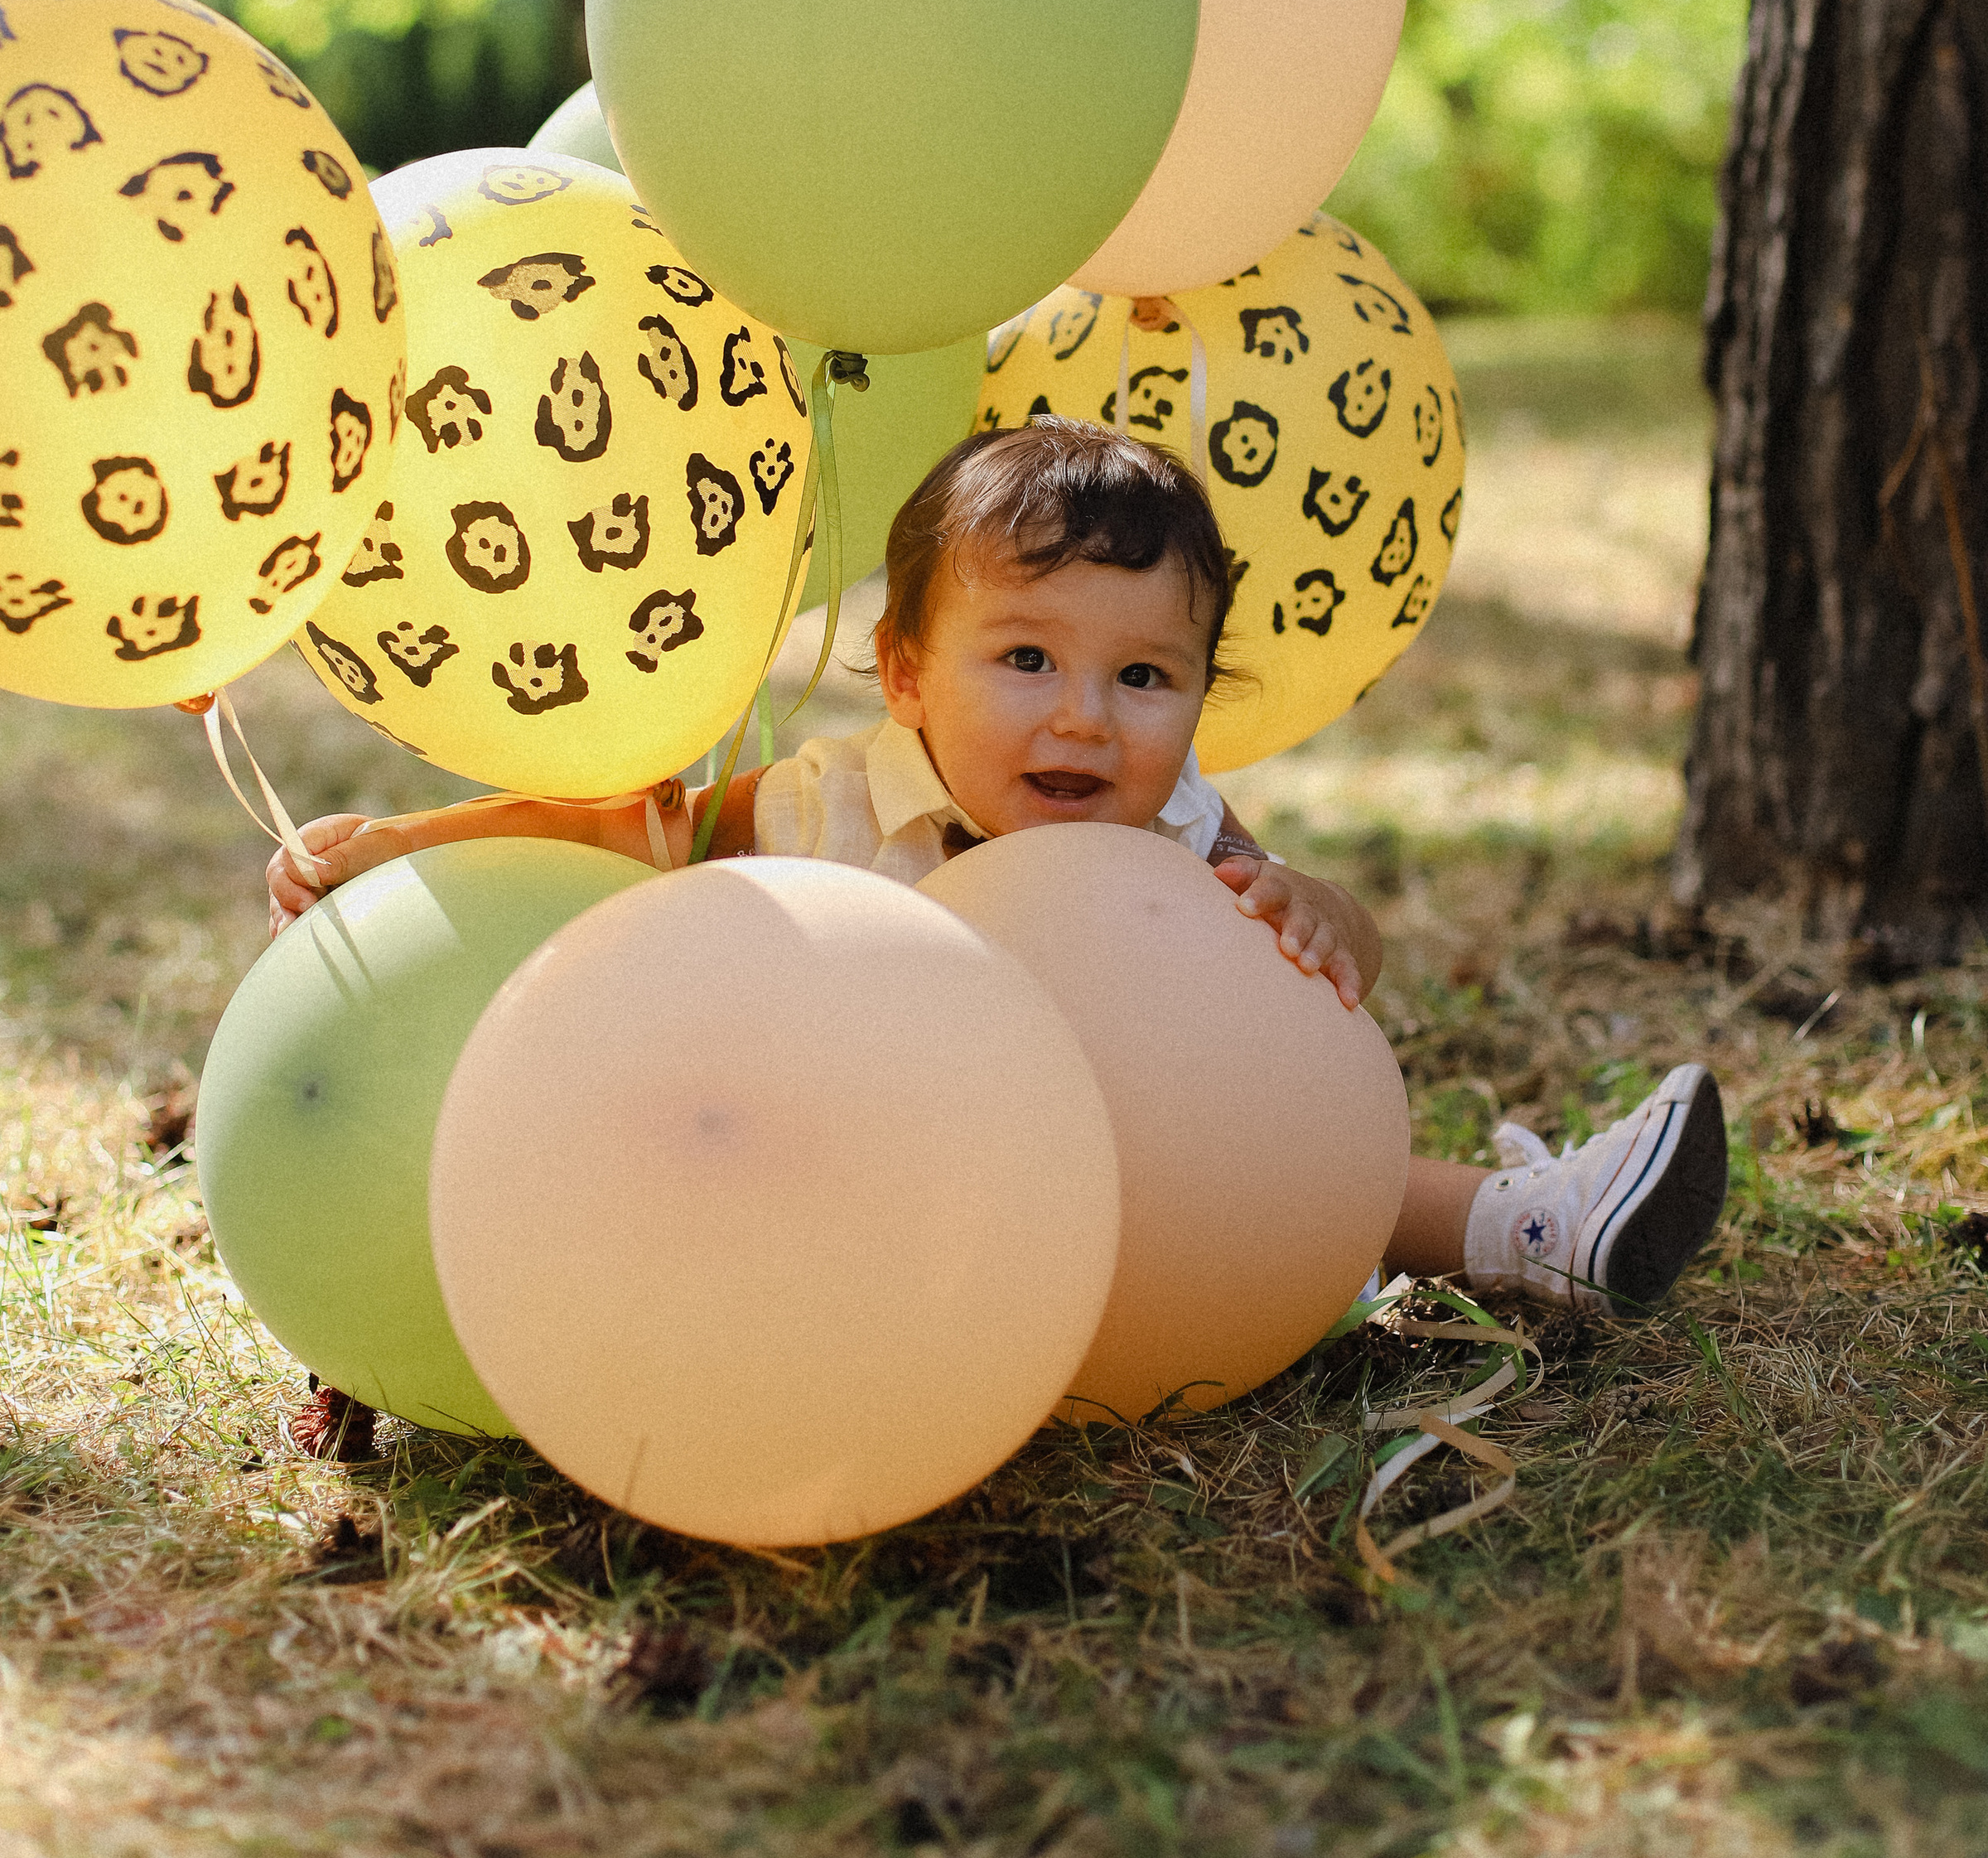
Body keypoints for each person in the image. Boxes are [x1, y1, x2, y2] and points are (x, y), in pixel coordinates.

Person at [268, 420, 1727, 1319]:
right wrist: (406, 844)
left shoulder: (1180, 843)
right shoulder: (826, 802)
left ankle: (1532, 1228)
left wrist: (1320, 913)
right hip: (861, 1212)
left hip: (1138, 1220)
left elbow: (1327, 992)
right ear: (904, 671)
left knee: (1326, 1175)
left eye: (1146, 676)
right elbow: (608, 830)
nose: (1086, 715)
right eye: (1026, 659)